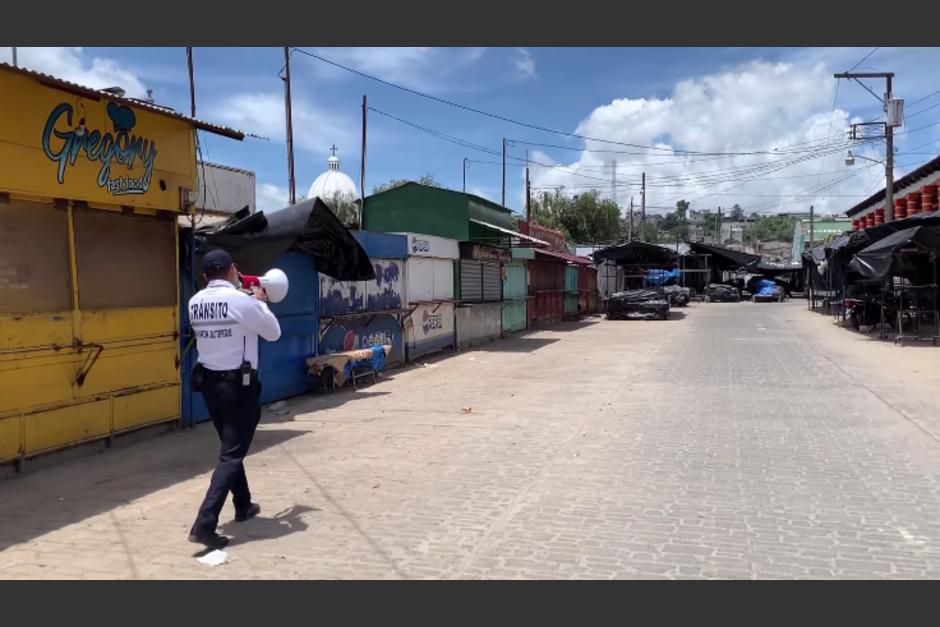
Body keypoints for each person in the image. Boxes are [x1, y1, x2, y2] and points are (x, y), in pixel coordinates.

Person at [187, 249, 281, 549]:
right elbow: (273, 333)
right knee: (231, 454)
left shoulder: (194, 302)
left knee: (231, 448)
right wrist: (260, 302)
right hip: (238, 387)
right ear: (232, 270)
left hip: (210, 386)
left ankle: (243, 504)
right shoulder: (241, 301)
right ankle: (204, 524)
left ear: (205, 276)